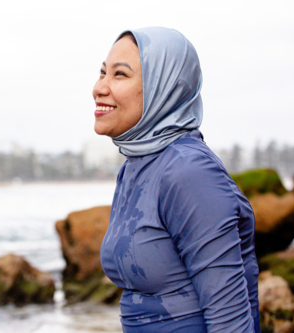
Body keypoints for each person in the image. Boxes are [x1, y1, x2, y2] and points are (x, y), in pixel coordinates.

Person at [94, 27, 260, 333]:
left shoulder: (189, 171)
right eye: (102, 72)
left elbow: (230, 318)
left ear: (164, 86)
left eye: (120, 75)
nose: (99, 87)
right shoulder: (135, 167)